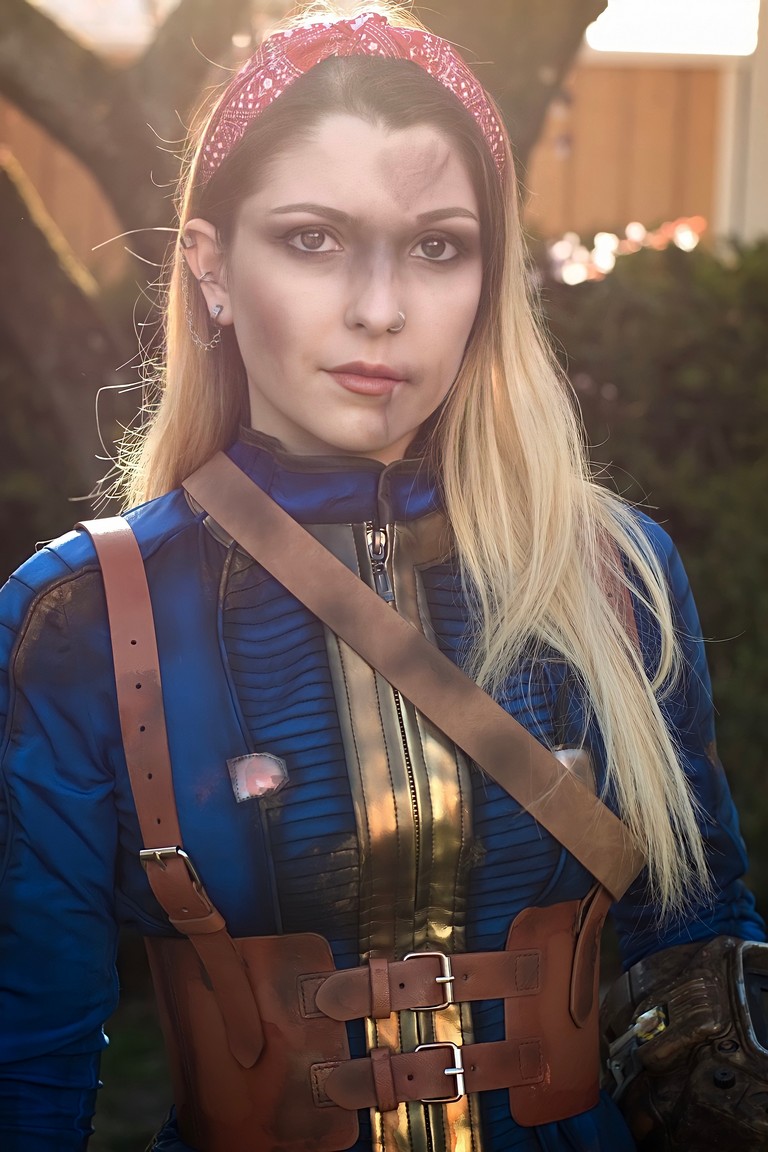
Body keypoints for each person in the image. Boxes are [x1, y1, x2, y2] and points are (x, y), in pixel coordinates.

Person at [0, 3, 764, 1151]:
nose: (380, 308)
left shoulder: (613, 575)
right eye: (312, 238)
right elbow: (26, 1063)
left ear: (488, 278)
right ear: (210, 270)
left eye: (437, 246)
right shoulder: (80, 619)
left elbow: (704, 971)